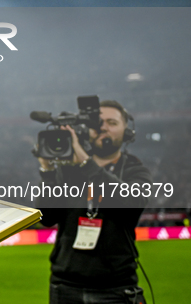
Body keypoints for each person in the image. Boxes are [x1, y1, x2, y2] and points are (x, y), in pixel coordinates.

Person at [36, 100, 152, 304]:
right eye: (97, 123)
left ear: (127, 131)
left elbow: (130, 204)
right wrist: (48, 172)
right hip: (65, 287)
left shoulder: (135, 170)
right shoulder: (69, 169)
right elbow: (47, 217)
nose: (103, 128)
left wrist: (85, 162)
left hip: (115, 288)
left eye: (112, 123)